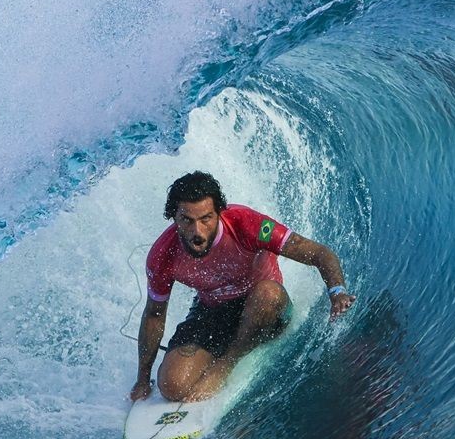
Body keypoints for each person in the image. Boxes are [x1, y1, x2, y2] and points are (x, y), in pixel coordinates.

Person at [130, 171, 356, 403]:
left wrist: (337, 292)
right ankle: (214, 352)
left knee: (268, 293)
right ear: (174, 217)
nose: (197, 231)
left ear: (219, 212)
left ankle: (226, 364)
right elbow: (154, 315)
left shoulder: (246, 224)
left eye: (206, 218)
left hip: (266, 306)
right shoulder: (163, 255)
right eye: (187, 220)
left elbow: (318, 253)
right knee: (172, 386)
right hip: (213, 312)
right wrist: (142, 379)